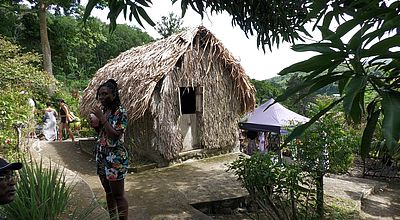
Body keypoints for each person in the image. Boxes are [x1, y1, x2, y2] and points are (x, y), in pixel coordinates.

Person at [89, 79, 129, 220]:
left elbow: (115, 135)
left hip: (115, 158)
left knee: (118, 195)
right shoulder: (105, 111)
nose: (101, 97)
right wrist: (96, 125)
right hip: (102, 157)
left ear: (114, 94)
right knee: (108, 192)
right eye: (99, 94)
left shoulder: (121, 112)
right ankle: (112, 218)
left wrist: (101, 118)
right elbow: (103, 134)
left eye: (105, 94)